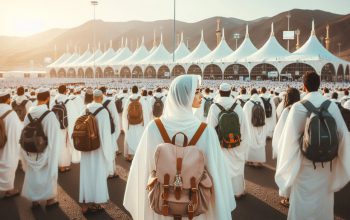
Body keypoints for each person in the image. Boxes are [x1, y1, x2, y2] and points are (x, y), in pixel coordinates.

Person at [123, 75, 235, 220]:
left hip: (163, 203)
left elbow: (144, 169)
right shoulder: (206, 131)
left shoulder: (154, 128)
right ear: (185, 95)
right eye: (196, 91)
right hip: (194, 205)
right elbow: (216, 172)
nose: (200, 95)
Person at [275, 72, 350, 220]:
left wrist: (288, 167)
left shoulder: (297, 107)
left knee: (302, 201)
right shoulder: (332, 106)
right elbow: (343, 136)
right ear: (320, 85)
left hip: (305, 163)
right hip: (327, 164)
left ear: (304, 86)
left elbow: (289, 141)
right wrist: (340, 162)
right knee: (324, 200)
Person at [207, 83, 250, 199]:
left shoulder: (214, 107)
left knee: (222, 168)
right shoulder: (238, 107)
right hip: (236, 144)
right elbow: (244, 128)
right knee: (237, 167)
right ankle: (238, 192)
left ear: (219, 92)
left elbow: (210, 128)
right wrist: (242, 145)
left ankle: (224, 194)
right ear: (230, 92)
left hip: (221, 145)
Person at [21, 88, 62, 208]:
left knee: (33, 174)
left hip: (31, 150)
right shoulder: (49, 115)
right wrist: (53, 155)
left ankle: (35, 200)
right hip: (45, 151)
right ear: (48, 98)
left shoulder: (28, 114)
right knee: (47, 175)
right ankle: (49, 199)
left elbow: (24, 133)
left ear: (37, 97)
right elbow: (54, 138)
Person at [79, 89, 113, 215]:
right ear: (101, 98)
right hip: (98, 148)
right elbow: (105, 134)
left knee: (85, 175)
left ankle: (84, 205)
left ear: (93, 97)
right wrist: (107, 154)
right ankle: (97, 203)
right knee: (97, 175)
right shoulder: (103, 112)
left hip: (85, 147)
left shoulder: (85, 109)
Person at [272, 88, 300, 208]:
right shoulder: (302, 108)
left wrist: (277, 150)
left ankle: (288, 198)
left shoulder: (287, 110)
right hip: (302, 147)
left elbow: (279, 133)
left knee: (288, 171)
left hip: (289, 147)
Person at [0, 90, 22, 198]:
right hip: (7, 146)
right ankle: (9, 189)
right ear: (8, 99)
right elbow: (18, 132)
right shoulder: (11, 114)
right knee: (9, 164)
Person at [53, 85, 78, 172]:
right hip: (64, 127)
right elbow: (73, 117)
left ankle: (56, 163)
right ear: (65, 91)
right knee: (65, 146)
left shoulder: (54, 100)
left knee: (56, 145)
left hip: (55, 126)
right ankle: (63, 166)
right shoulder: (68, 101)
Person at [122, 85, 150, 161]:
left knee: (130, 137)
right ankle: (139, 154)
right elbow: (145, 112)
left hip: (130, 123)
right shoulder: (141, 99)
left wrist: (125, 123)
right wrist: (146, 123)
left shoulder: (129, 99)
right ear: (138, 90)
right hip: (140, 122)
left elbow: (125, 114)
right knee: (139, 137)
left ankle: (130, 155)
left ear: (132, 90)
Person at [243, 88, 268, 167]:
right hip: (261, 125)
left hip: (251, 126)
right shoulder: (261, 103)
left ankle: (250, 160)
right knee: (260, 141)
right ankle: (259, 161)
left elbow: (244, 117)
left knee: (251, 141)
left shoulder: (248, 103)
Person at [99, 86, 120, 178]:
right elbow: (115, 118)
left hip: (97, 131)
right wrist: (116, 133)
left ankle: (101, 171)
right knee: (110, 151)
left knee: (100, 151)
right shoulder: (109, 102)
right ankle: (110, 172)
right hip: (109, 131)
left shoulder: (93, 103)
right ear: (105, 92)